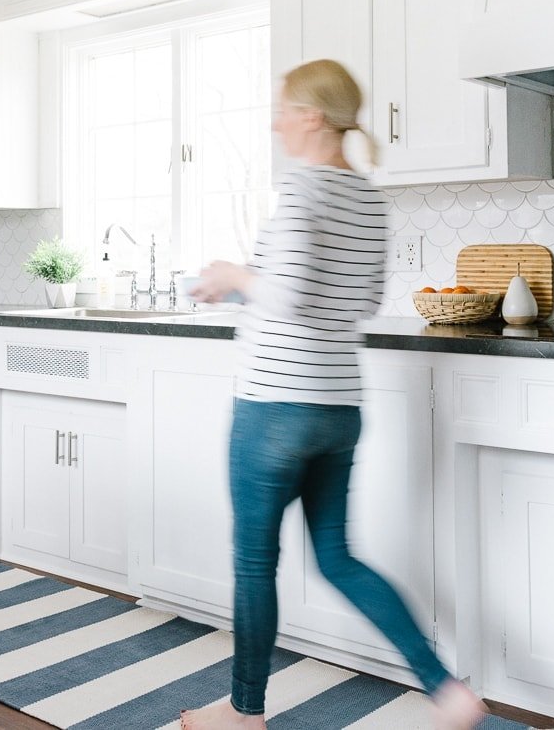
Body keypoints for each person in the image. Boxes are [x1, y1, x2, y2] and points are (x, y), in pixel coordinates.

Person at [180, 60, 487, 730]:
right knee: (338, 557)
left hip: (274, 406)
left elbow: (288, 295)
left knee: (255, 565)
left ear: (312, 116)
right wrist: (244, 284)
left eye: (282, 108)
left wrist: (236, 272)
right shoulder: (367, 197)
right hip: (337, 406)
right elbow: (357, 300)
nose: (274, 121)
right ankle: (445, 688)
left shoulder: (300, 189)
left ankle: (244, 715)